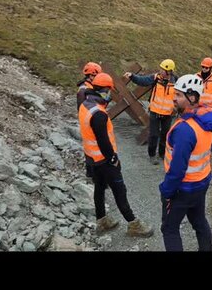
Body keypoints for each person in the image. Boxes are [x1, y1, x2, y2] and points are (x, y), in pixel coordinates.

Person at [78, 72, 154, 237]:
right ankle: (133, 224)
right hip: (104, 160)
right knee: (120, 190)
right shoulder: (98, 113)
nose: (109, 95)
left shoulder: (85, 105)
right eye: (109, 91)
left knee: (99, 188)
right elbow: (103, 141)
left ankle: (102, 221)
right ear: (104, 89)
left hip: (92, 159)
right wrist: (113, 158)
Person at [159, 74, 212, 251]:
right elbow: (208, 146)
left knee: (169, 229)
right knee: (199, 222)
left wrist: (166, 190)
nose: (173, 98)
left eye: (178, 95)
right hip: (201, 183)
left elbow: (178, 169)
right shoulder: (205, 119)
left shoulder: (185, 129)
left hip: (182, 188)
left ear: (192, 97)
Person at [124, 59, 177, 165]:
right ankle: (152, 155)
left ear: (169, 71)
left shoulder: (176, 82)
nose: (161, 71)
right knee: (153, 135)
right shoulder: (155, 78)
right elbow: (142, 80)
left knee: (165, 135)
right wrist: (132, 76)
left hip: (168, 114)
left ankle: (162, 154)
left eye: (163, 70)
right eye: (161, 69)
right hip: (155, 112)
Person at [76, 61, 102, 179]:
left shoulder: (90, 87)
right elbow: (82, 108)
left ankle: (93, 172)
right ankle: (91, 173)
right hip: (88, 122)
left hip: (90, 120)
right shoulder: (83, 90)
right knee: (91, 147)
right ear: (91, 75)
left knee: (92, 147)